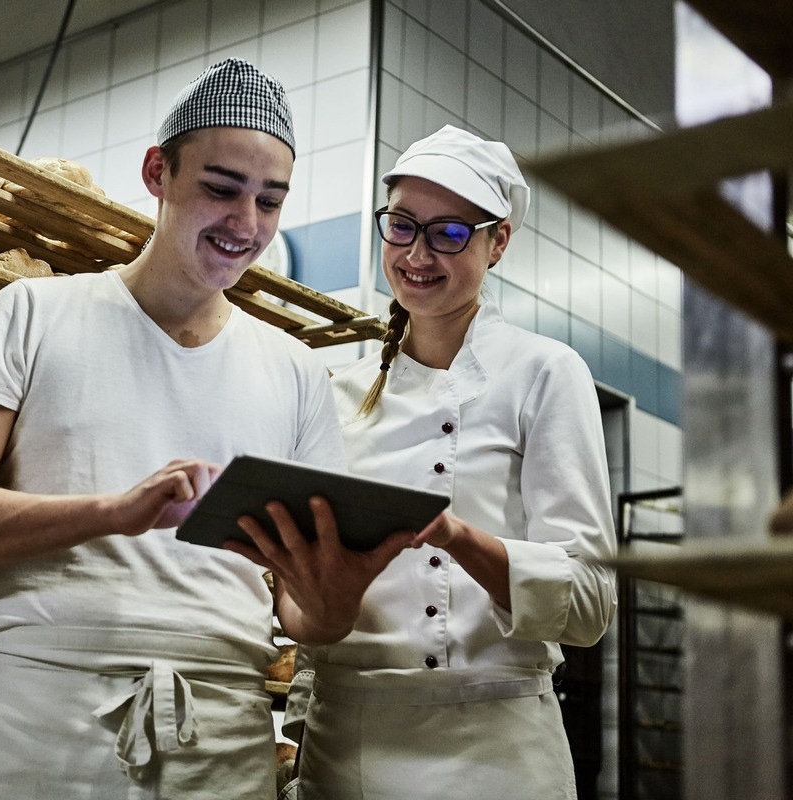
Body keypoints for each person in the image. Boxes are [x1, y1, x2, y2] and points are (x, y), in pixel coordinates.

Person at [0, 58, 409, 799]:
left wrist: (336, 594)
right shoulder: (34, 312)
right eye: (222, 189)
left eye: (270, 201)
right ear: (157, 171)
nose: (245, 224)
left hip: (219, 737)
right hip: (38, 719)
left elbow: (302, 615)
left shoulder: (294, 369)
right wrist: (112, 513)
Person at [231, 125, 618, 800]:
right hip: (349, 744)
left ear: (498, 242)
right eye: (402, 226)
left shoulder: (544, 373)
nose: (417, 253)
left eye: (450, 233)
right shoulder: (336, 394)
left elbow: (589, 605)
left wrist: (456, 536)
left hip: (496, 747)